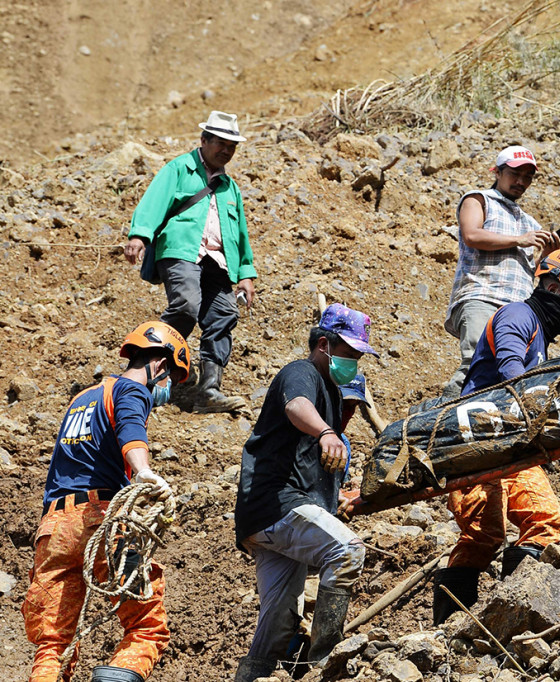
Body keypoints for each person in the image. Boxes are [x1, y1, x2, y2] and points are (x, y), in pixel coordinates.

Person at [433, 249, 560, 625]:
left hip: (510, 444)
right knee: (483, 534)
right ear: (550, 286)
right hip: (476, 442)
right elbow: (515, 375)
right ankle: (449, 629)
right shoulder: (517, 316)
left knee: (544, 521)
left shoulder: (540, 334)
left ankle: (515, 613)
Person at [22, 322, 185, 682]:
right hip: (102, 518)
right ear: (160, 365)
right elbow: (131, 428)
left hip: (54, 527)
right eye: (171, 377)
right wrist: (142, 471)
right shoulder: (131, 389)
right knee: (147, 627)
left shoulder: (82, 398)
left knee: (53, 645)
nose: (167, 389)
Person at [233, 304, 378, 681]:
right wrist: (327, 432)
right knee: (347, 551)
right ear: (324, 345)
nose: (355, 362)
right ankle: (324, 664)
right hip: (278, 504)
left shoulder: (329, 395)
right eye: (351, 353)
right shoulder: (302, 373)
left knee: (278, 622)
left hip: (263, 522)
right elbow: (296, 406)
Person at [124, 111, 257, 414]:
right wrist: (140, 236)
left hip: (218, 261)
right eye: (220, 144)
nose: (226, 150)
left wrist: (246, 273)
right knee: (186, 305)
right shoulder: (179, 169)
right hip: (182, 251)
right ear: (204, 140)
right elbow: (154, 202)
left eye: (231, 146)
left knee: (223, 315)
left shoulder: (229, 187)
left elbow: (240, 233)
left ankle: (208, 391)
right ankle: (142, 373)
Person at [441, 145, 560, 399]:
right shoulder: (478, 199)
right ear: (497, 172)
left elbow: (534, 270)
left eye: (528, 176)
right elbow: (472, 235)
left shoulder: (530, 224)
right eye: (514, 174)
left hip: (517, 308)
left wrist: (550, 254)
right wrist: (520, 239)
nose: (521, 182)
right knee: (476, 362)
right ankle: (441, 421)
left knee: (511, 366)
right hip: (482, 295)